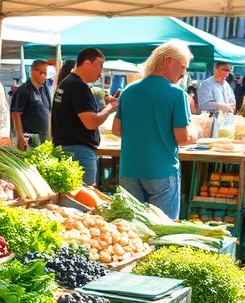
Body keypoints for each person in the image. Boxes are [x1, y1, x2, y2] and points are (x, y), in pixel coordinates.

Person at [113, 40, 199, 220]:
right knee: (163, 232)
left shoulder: (129, 90)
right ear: (167, 61)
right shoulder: (176, 93)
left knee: (132, 232)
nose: (184, 73)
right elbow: (182, 138)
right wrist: (195, 133)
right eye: (182, 66)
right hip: (162, 172)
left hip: (129, 171)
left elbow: (116, 129)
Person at [51, 48, 117, 186]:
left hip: (67, 149)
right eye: (100, 65)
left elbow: (82, 117)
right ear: (87, 63)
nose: (101, 72)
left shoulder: (67, 83)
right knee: (82, 201)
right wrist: (110, 109)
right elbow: (91, 122)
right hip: (79, 152)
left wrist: (105, 108)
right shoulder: (78, 86)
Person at [10, 60, 51, 150]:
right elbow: (16, 114)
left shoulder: (44, 89)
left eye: (46, 73)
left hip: (44, 139)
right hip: (29, 140)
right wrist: (20, 138)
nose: (45, 76)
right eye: (43, 73)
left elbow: (49, 111)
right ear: (34, 72)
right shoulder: (23, 91)